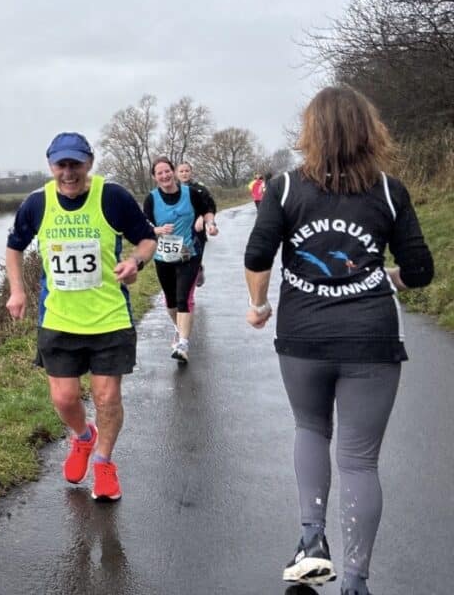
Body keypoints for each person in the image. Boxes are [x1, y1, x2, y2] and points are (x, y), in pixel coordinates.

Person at [244, 87, 433, 595]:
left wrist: (259, 307)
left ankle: (311, 542)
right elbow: (420, 271)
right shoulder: (390, 192)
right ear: (370, 132)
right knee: (359, 460)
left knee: (310, 428)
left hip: (303, 335)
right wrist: (381, 278)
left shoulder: (283, 189)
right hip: (371, 337)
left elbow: (258, 256)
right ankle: (355, 581)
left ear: (311, 133)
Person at [6, 132, 155, 502]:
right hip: (58, 319)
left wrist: (135, 261)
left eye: (76, 164)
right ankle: (84, 438)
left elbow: (147, 239)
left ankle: (104, 463)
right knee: (64, 398)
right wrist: (18, 290)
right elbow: (13, 247)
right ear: (51, 166)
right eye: (62, 165)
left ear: (89, 162)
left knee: (107, 398)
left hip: (109, 318)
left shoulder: (114, 197)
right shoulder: (37, 203)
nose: (68, 173)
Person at [143, 156, 217, 364]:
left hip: (188, 254)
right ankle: (179, 328)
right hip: (163, 256)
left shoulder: (191, 193)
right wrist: (157, 229)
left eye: (167, 171)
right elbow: (144, 225)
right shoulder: (151, 199)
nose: (165, 175)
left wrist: (208, 222)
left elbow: (207, 211)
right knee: (171, 300)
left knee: (184, 297)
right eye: (160, 173)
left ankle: (183, 343)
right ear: (154, 177)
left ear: (173, 172)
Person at [175, 161, 217, 288]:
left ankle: (197, 271)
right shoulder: (172, 189)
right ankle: (184, 293)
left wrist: (204, 219)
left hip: (197, 233)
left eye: (187, 171)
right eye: (181, 171)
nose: (184, 173)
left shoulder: (200, 189)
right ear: (176, 174)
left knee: (193, 262)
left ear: (191, 172)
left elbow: (210, 207)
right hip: (178, 232)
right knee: (180, 263)